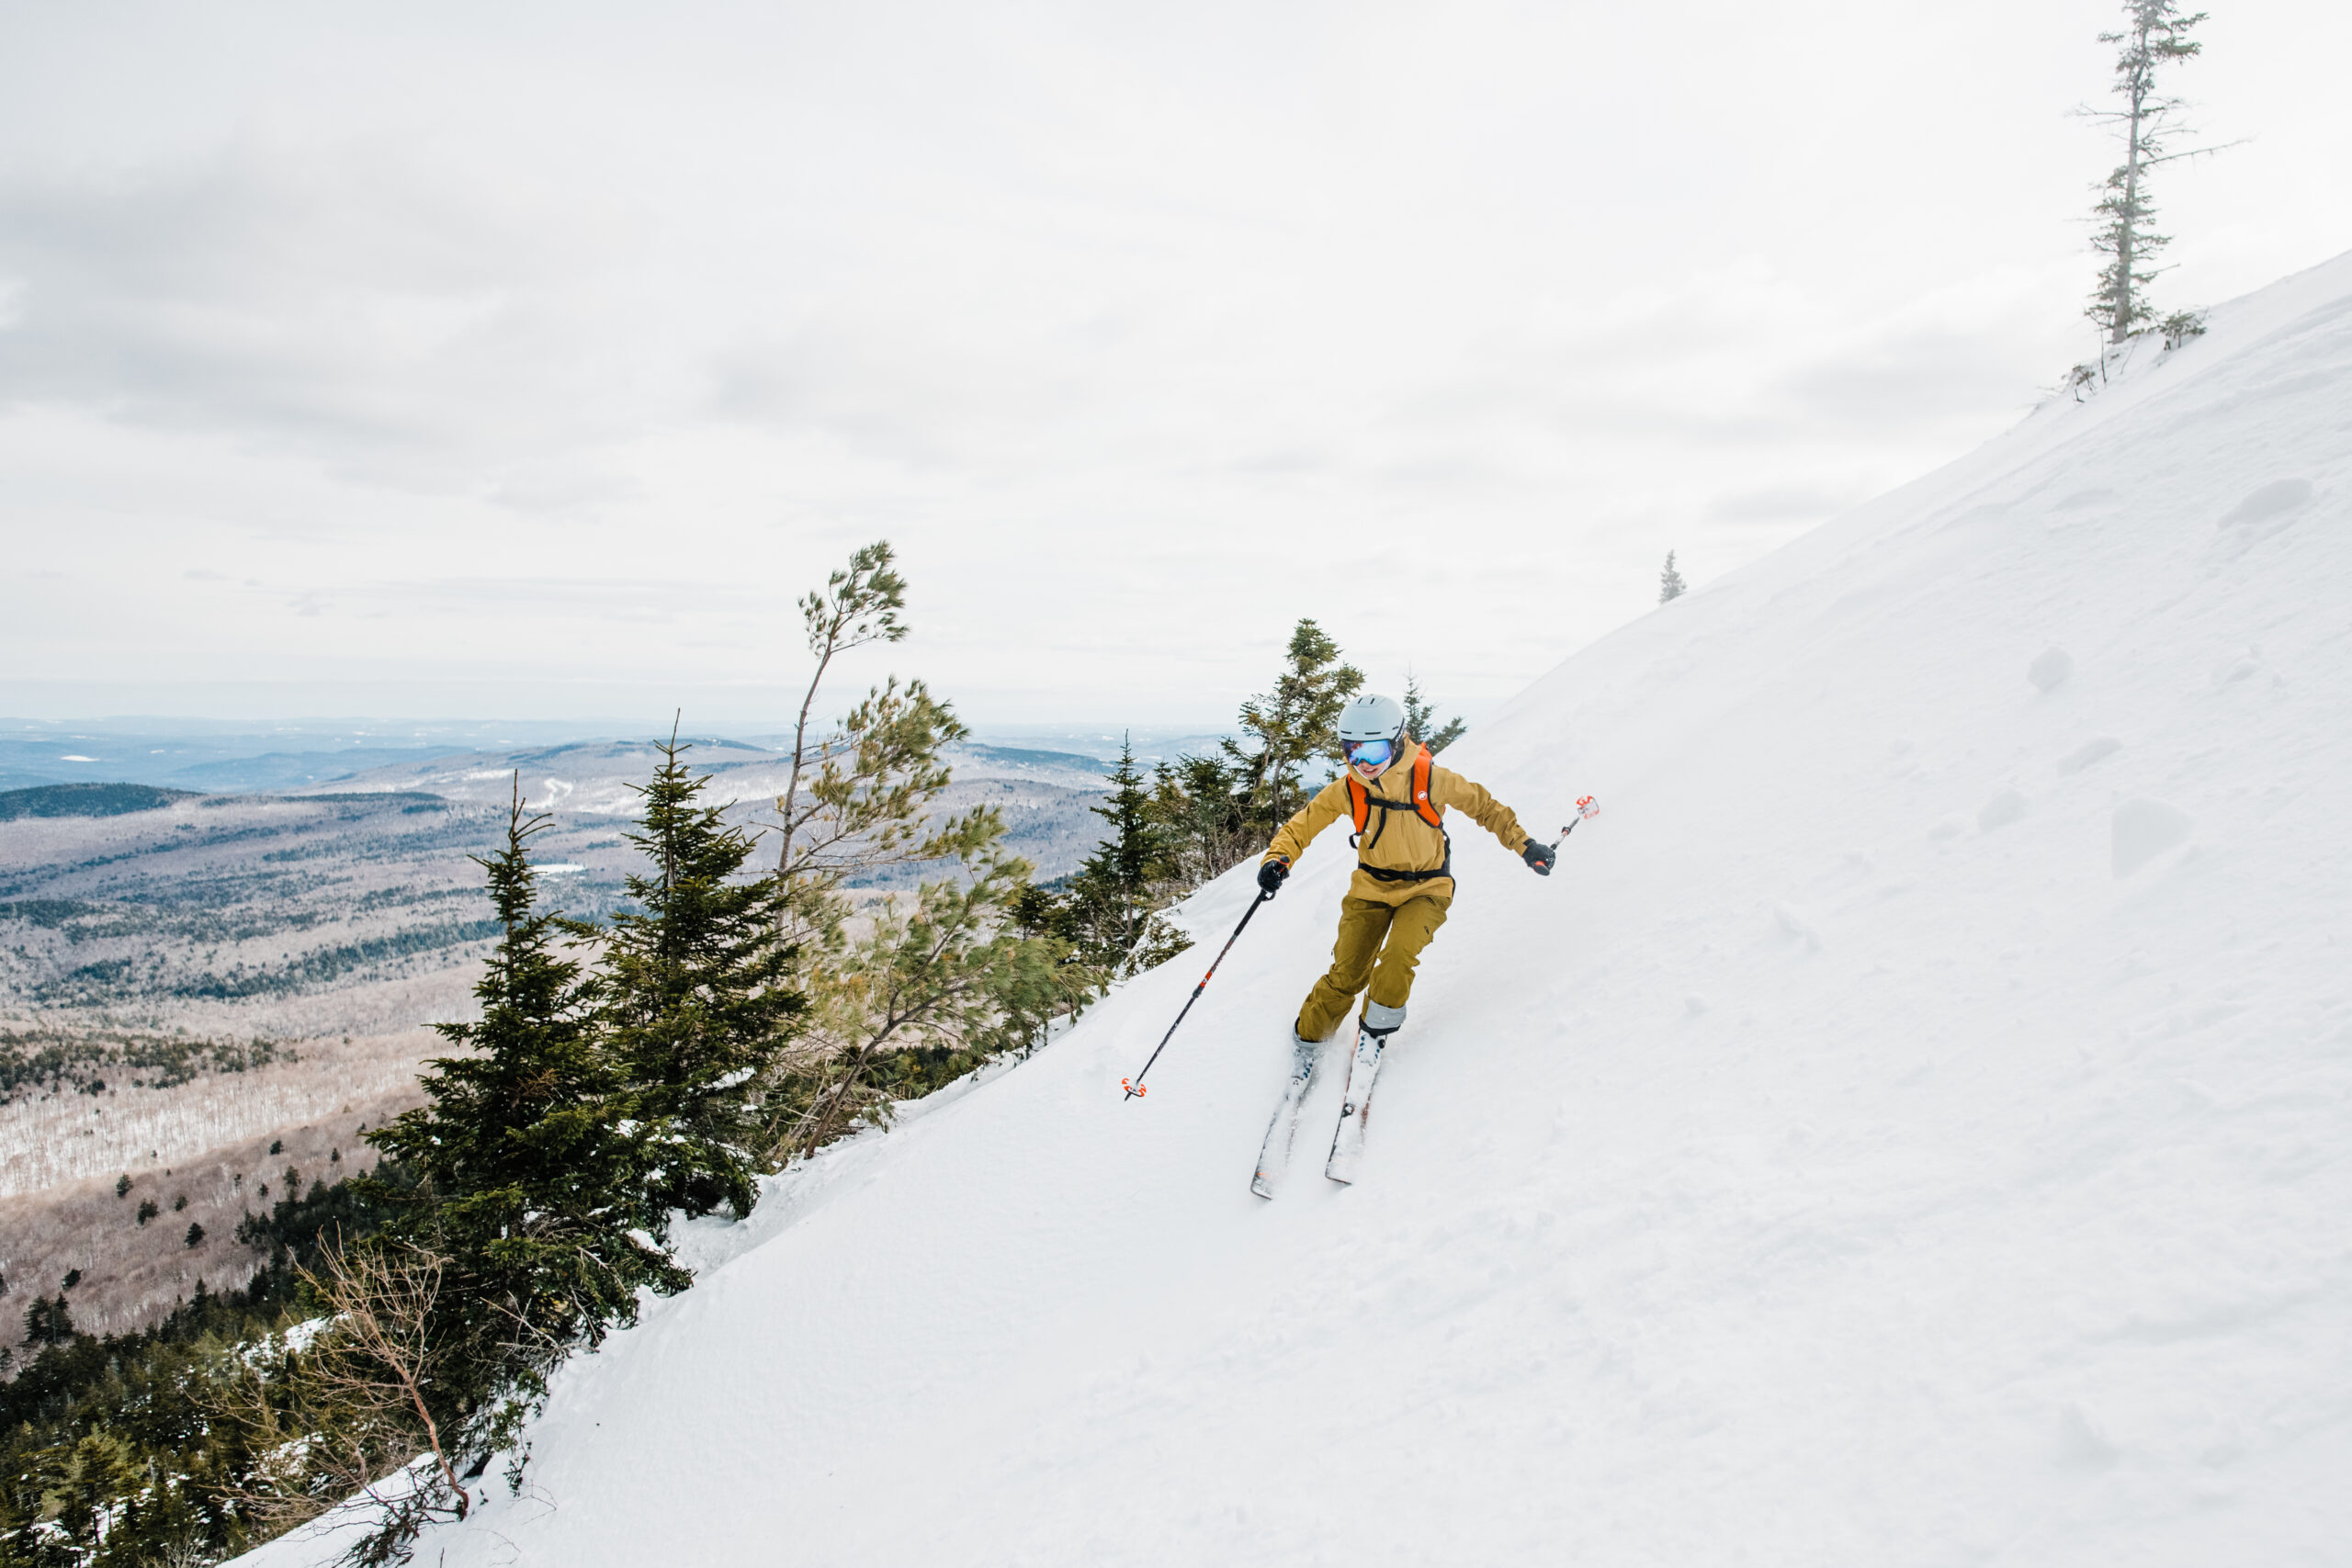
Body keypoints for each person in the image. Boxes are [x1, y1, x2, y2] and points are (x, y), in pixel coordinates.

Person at [1255, 693, 1555, 1055]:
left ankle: (1373, 1033)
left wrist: (1525, 845)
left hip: (1427, 888)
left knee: (1397, 959)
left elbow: (1486, 808)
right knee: (1347, 974)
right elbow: (1301, 826)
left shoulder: (1431, 778)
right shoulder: (1350, 789)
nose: (1364, 763)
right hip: (1369, 890)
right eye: (1353, 751)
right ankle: (1307, 1041)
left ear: (1397, 743)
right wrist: (1278, 859)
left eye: (1375, 751)